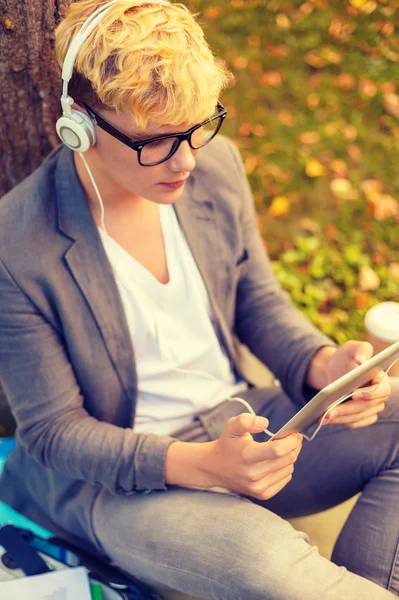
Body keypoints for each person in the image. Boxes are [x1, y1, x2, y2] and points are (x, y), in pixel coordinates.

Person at [0, 1, 398, 598]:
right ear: (78, 123)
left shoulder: (216, 169)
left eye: (196, 127)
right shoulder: (15, 243)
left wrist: (322, 368)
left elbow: (256, 299)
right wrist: (203, 465)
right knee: (273, 569)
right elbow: (56, 432)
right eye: (156, 140)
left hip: (244, 421)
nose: (186, 159)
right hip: (125, 484)